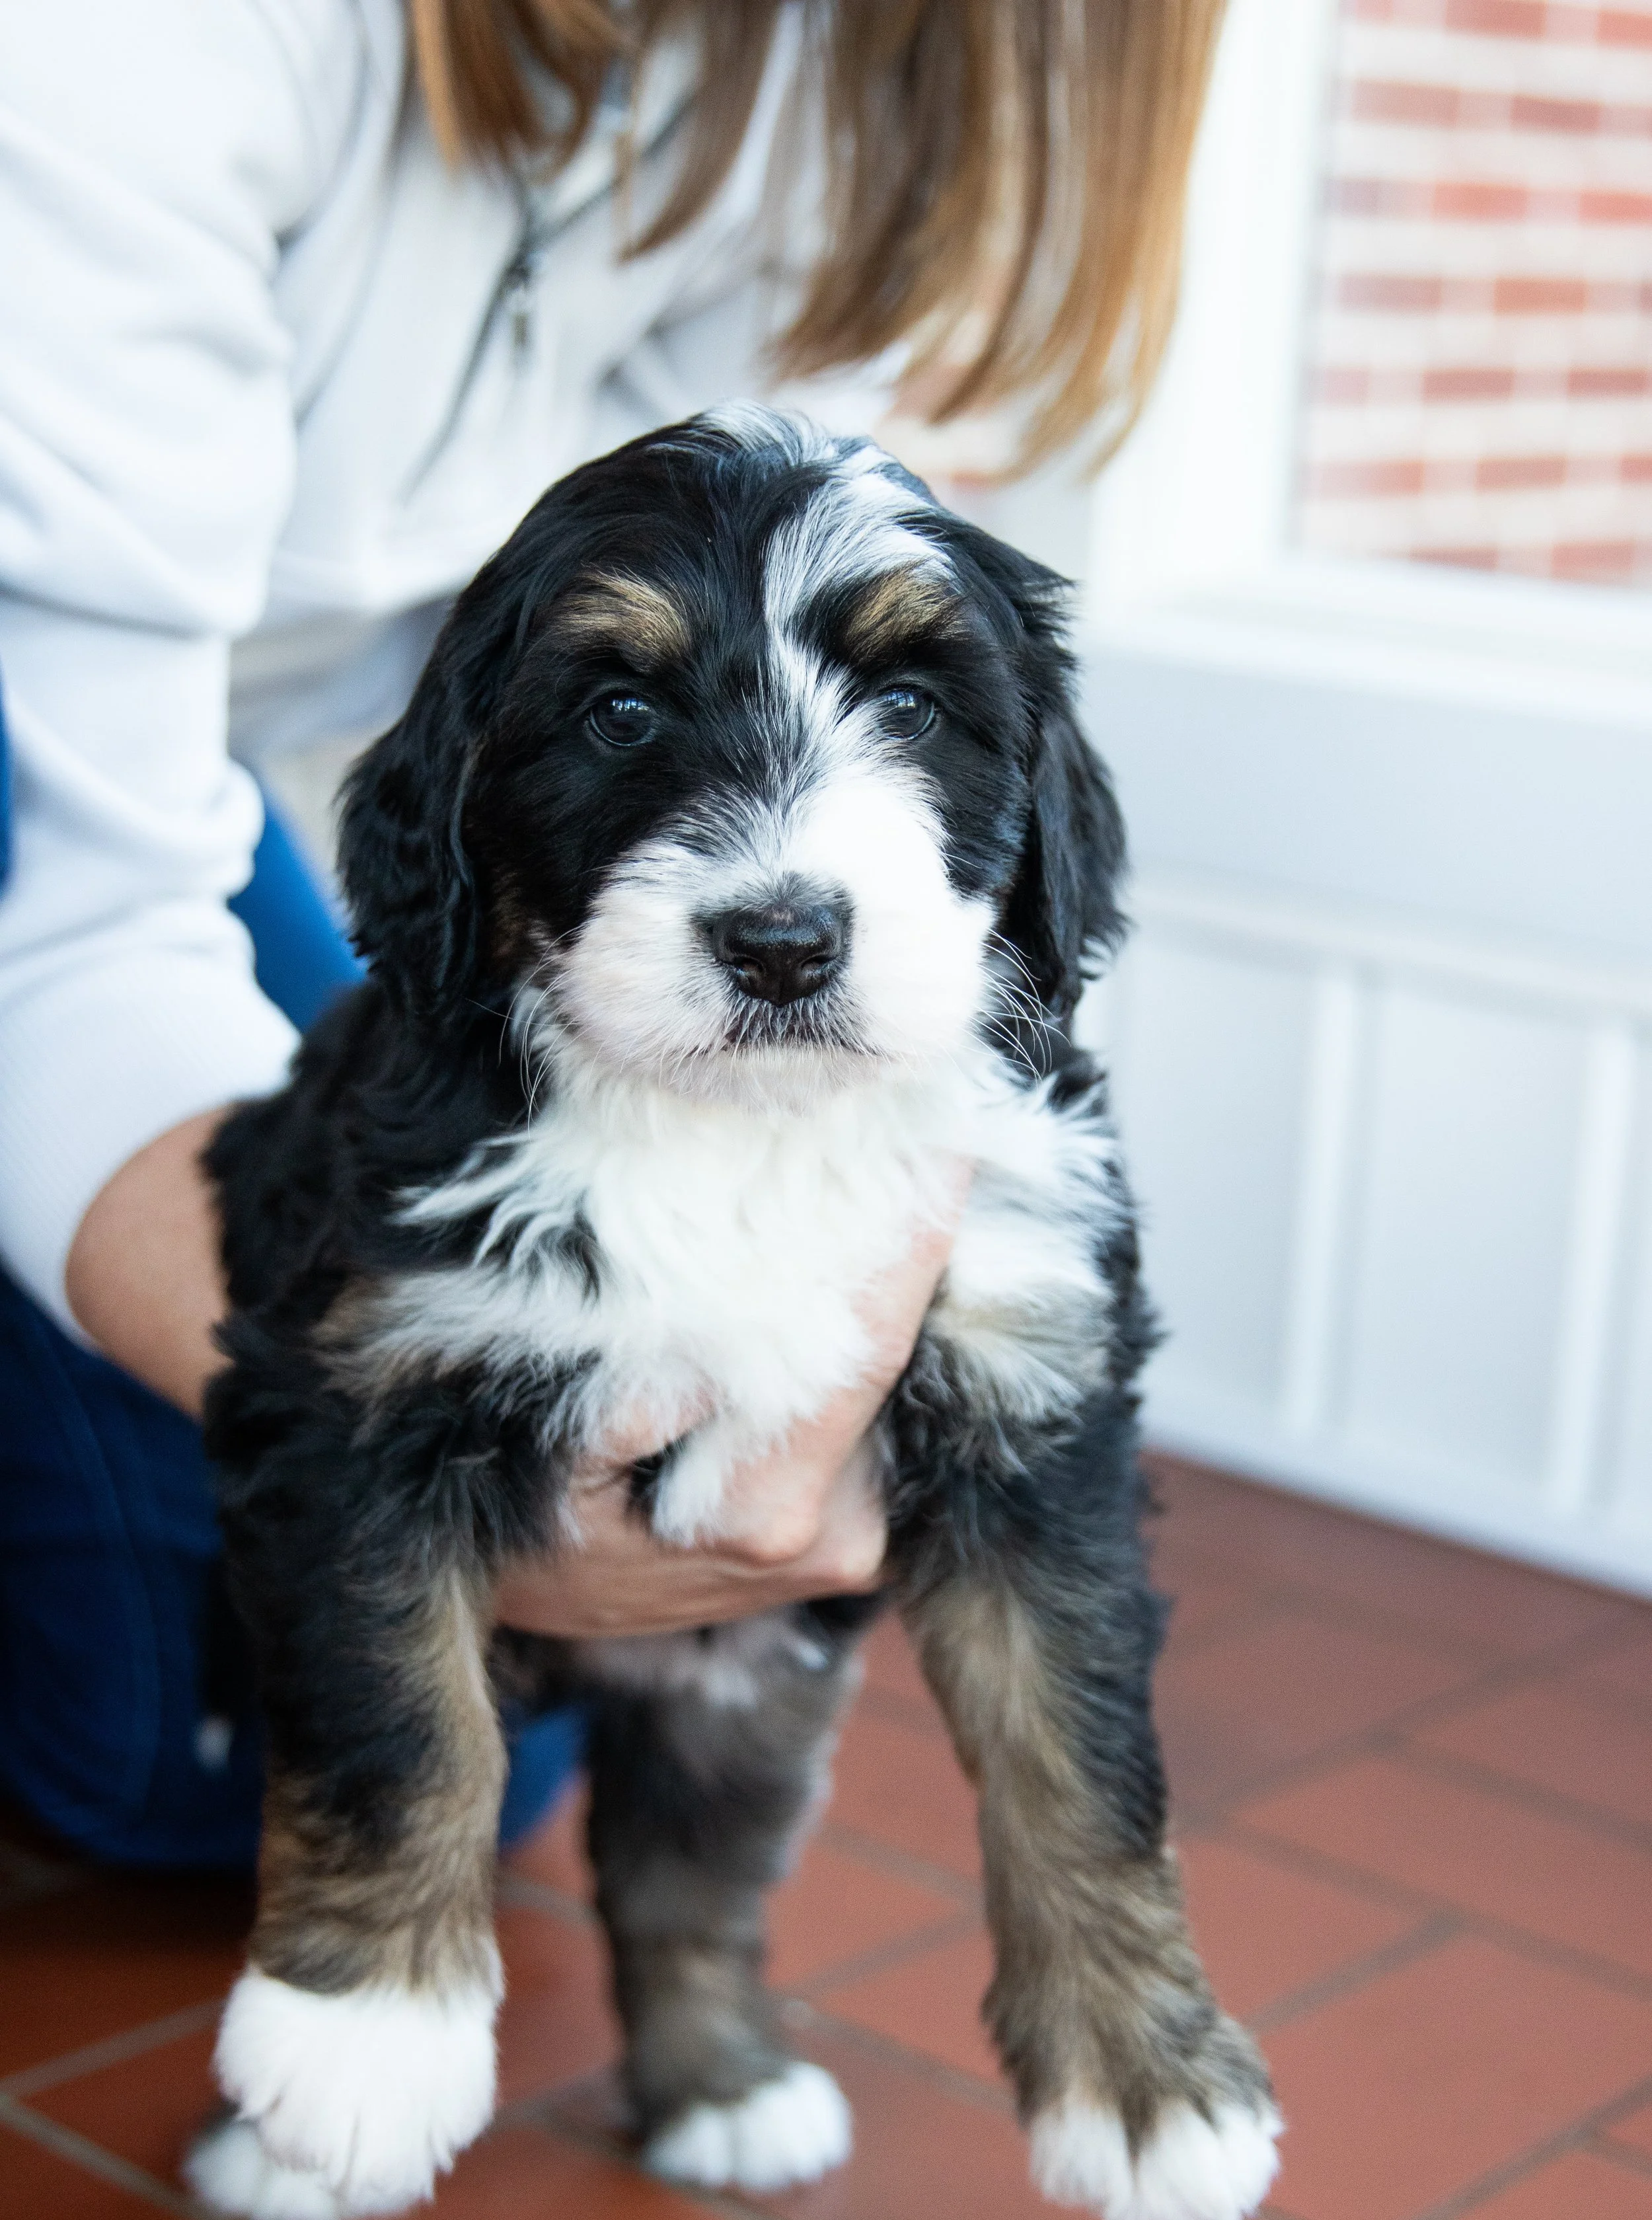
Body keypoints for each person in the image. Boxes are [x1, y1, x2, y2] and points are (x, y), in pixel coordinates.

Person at [0, 0, 1222, 1868]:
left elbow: (795, 636)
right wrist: (368, 1430)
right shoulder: (141, 50)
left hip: (205, 768)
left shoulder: (850, 67)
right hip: (60, 780)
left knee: (554, 1677)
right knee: (200, 1738)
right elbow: (69, 912)